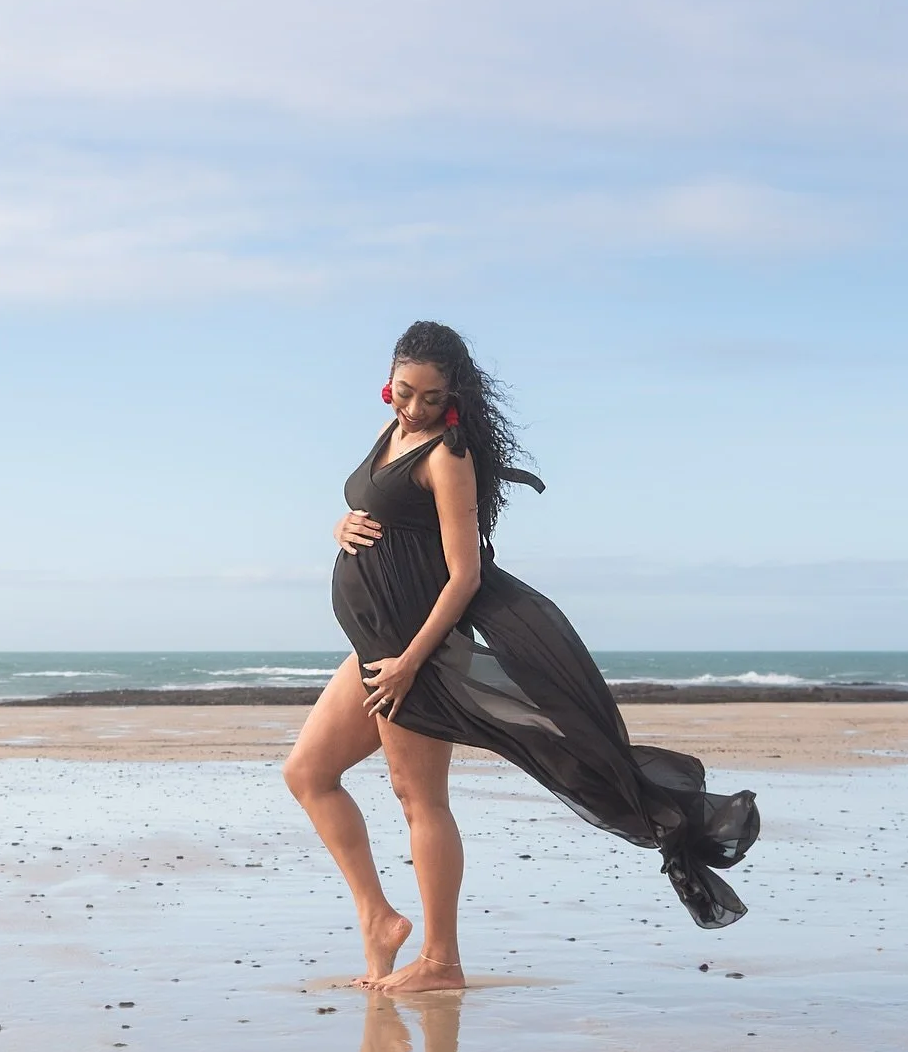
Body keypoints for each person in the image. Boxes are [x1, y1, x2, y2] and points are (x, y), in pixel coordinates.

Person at [283, 320, 759, 992]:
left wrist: (413, 661)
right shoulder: (393, 432)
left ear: (454, 395)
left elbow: (464, 576)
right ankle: (378, 918)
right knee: (308, 773)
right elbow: (384, 512)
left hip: (414, 654)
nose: (414, 407)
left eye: (430, 397)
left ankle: (441, 962)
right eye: (404, 391)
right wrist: (344, 523)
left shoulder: (448, 457)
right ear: (389, 380)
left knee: (418, 799)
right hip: (375, 647)